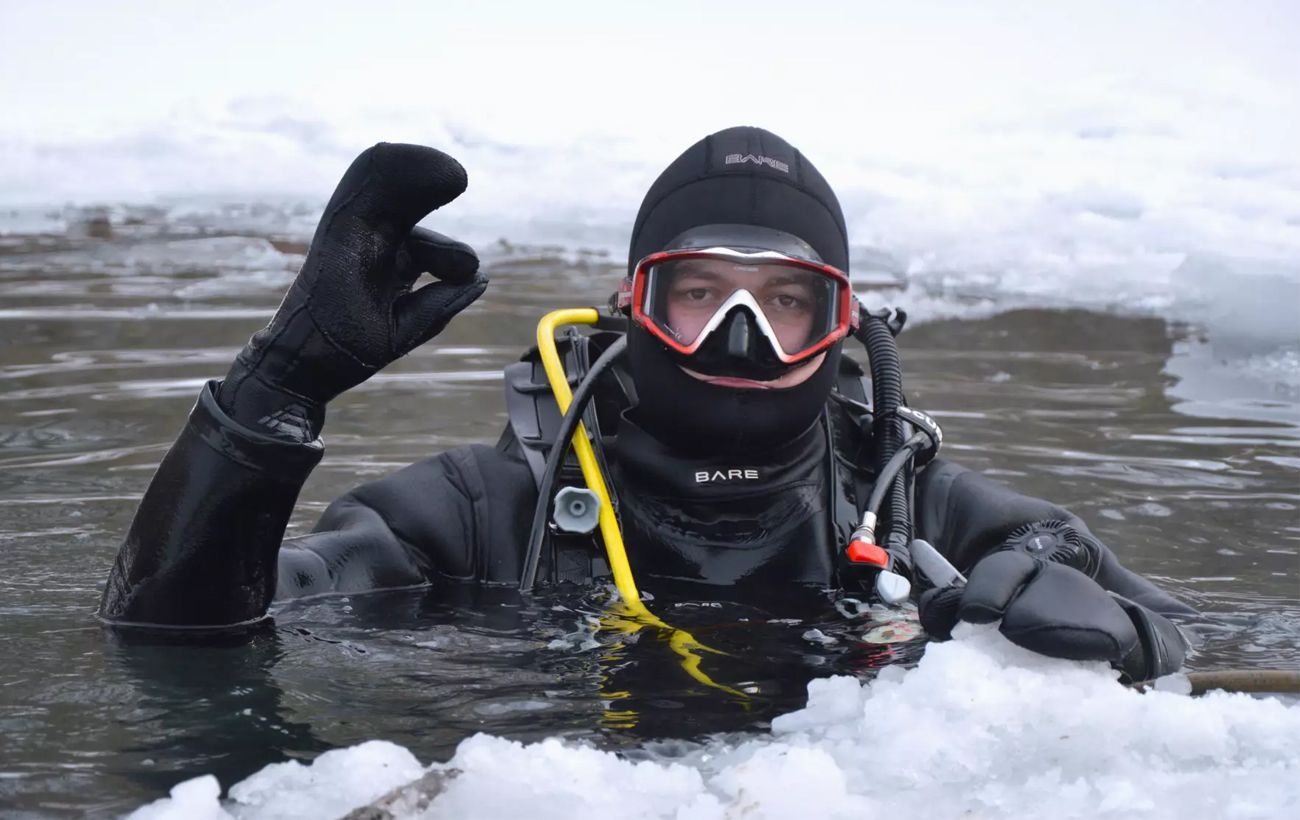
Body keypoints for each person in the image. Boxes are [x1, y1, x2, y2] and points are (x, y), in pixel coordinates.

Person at [99, 127, 1191, 683]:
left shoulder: (922, 517)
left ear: (844, 328)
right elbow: (171, 638)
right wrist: (275, 393)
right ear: (630, 306)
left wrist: (1127, 647)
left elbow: (1198, 643)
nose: (738, 338)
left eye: (786, 305)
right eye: (700, 295)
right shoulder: (472, 518)